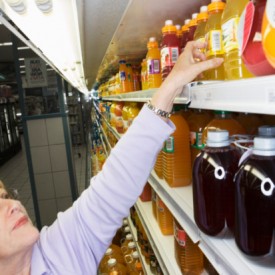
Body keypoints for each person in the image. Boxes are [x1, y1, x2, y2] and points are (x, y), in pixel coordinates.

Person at [0, 41, 223, 275]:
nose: (13, 206)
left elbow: (114, 184)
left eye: (6, 196)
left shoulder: (57, 251)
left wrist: (171, 85)